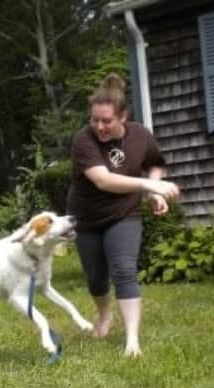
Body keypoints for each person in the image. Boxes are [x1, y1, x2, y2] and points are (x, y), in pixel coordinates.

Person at [67, 73, 180, 357]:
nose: (99, 126)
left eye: (106, 121)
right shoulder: (84, 140)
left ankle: (132, 341)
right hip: (87, 218)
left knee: (124, 270)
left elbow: (155, 164)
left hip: (124, 215)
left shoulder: (141, 135)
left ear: (123, 117)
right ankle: (104, 316)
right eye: (95, 119)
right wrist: (150, 186)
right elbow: (104, 180)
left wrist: (153, 194)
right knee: (95, 278)